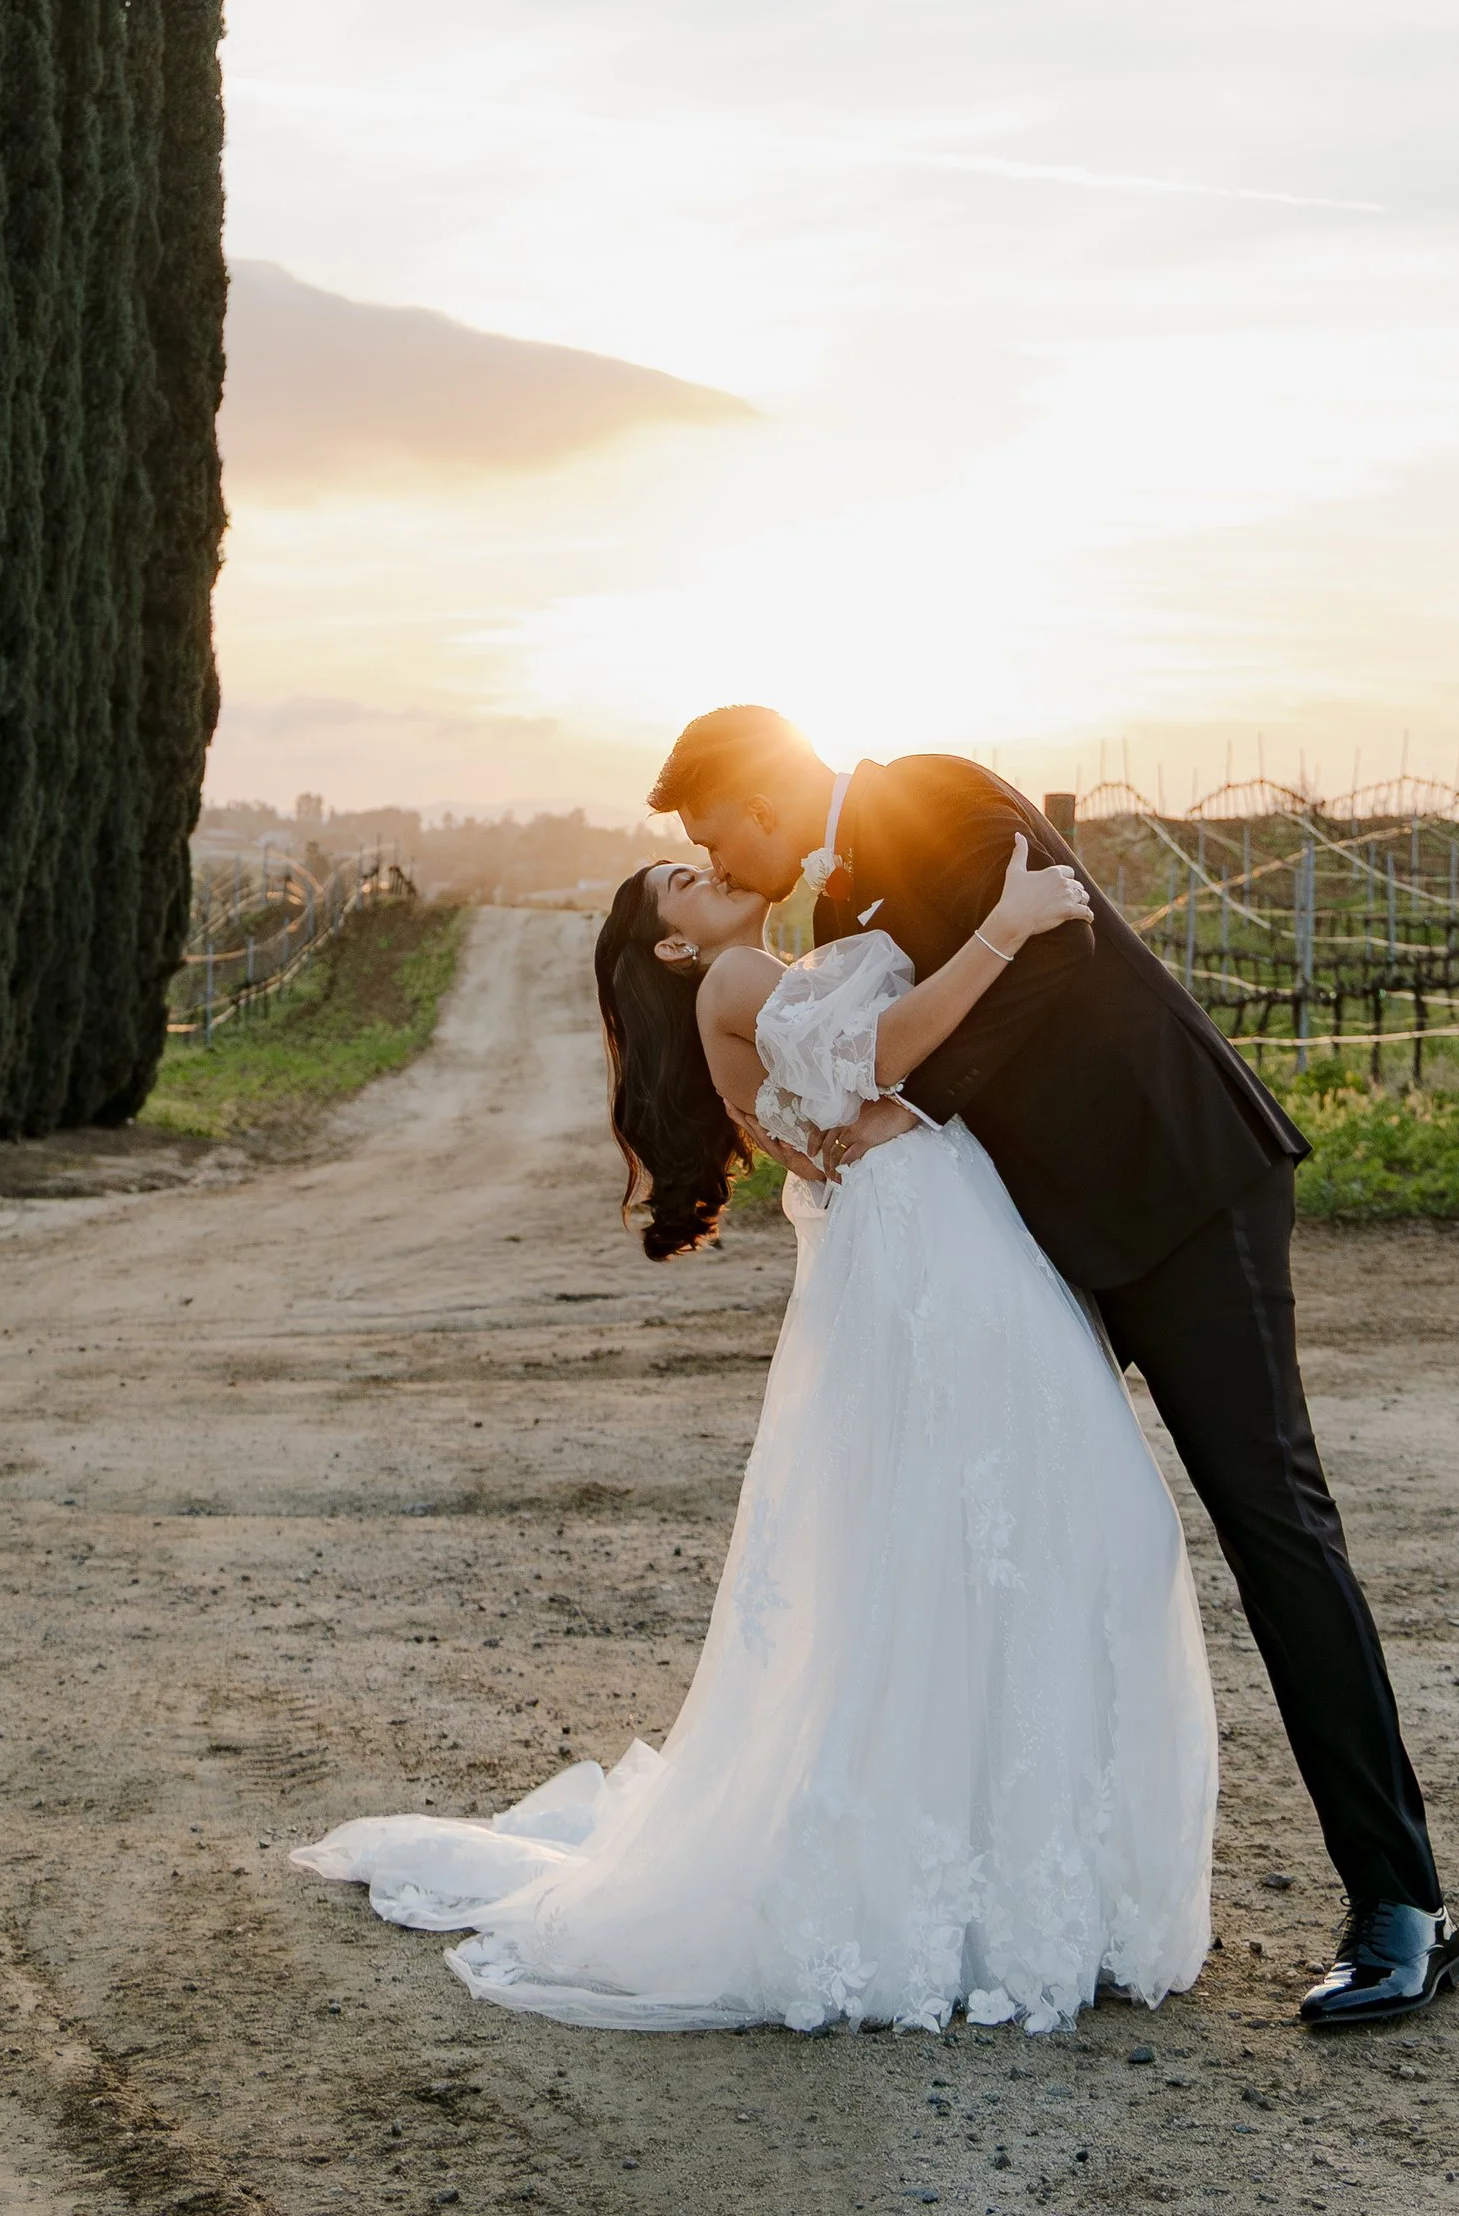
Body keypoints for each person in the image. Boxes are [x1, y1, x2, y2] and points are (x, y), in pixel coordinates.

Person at [293, 838, 1220, 2035]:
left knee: (991, 1534)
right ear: (675, 943)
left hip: (923, 1227)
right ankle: (994, 1887)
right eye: (682, 878)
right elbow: (881, 1055)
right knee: (1052, 1520)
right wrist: (1012, 915)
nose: (707, 865)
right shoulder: (732, 979)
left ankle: (1007, 1879)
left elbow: (833, 1100)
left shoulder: (763, 973)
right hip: (929, 1237)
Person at [650, 705, 1459, 2032]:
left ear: (765, 784)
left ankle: (1402, 1907)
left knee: (1272, 1521)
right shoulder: (848, 886)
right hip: (1050, 1245)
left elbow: (1057, 943)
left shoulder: (931, 789)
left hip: (1181, 1188)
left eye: (714, 827)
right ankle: (1014, 1891)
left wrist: (905, 1102)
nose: (726, 856)